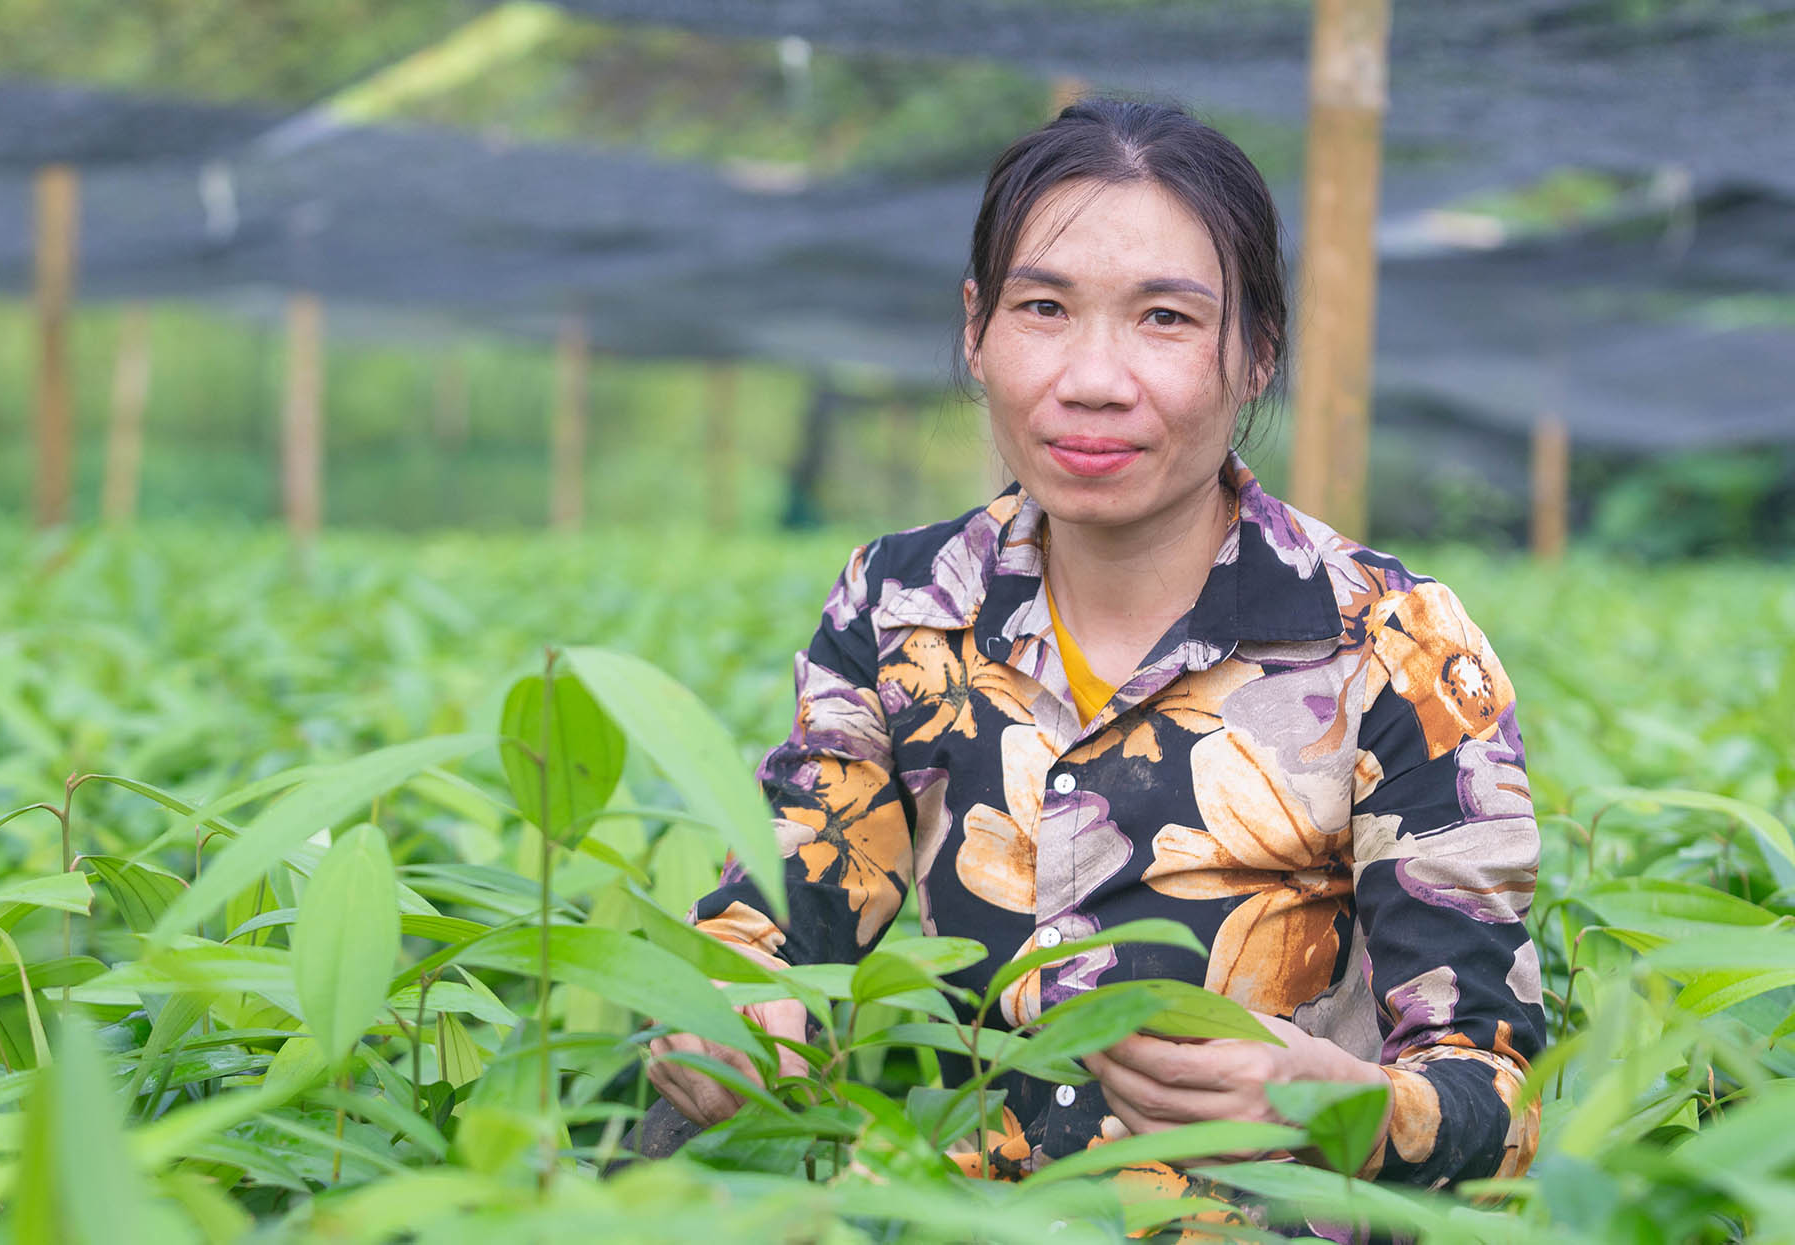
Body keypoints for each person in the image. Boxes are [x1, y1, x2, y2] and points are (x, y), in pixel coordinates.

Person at [648, 97, 1544, 1196]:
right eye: (1043, 308)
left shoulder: (1387, 644)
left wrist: (1337, 1103)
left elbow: (1496, 1098)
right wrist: (734, 1006)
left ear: (1255, 352)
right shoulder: (901, 606)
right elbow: (787, 899)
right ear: (976, 329)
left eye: (1163, 318)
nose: (1092, 378)